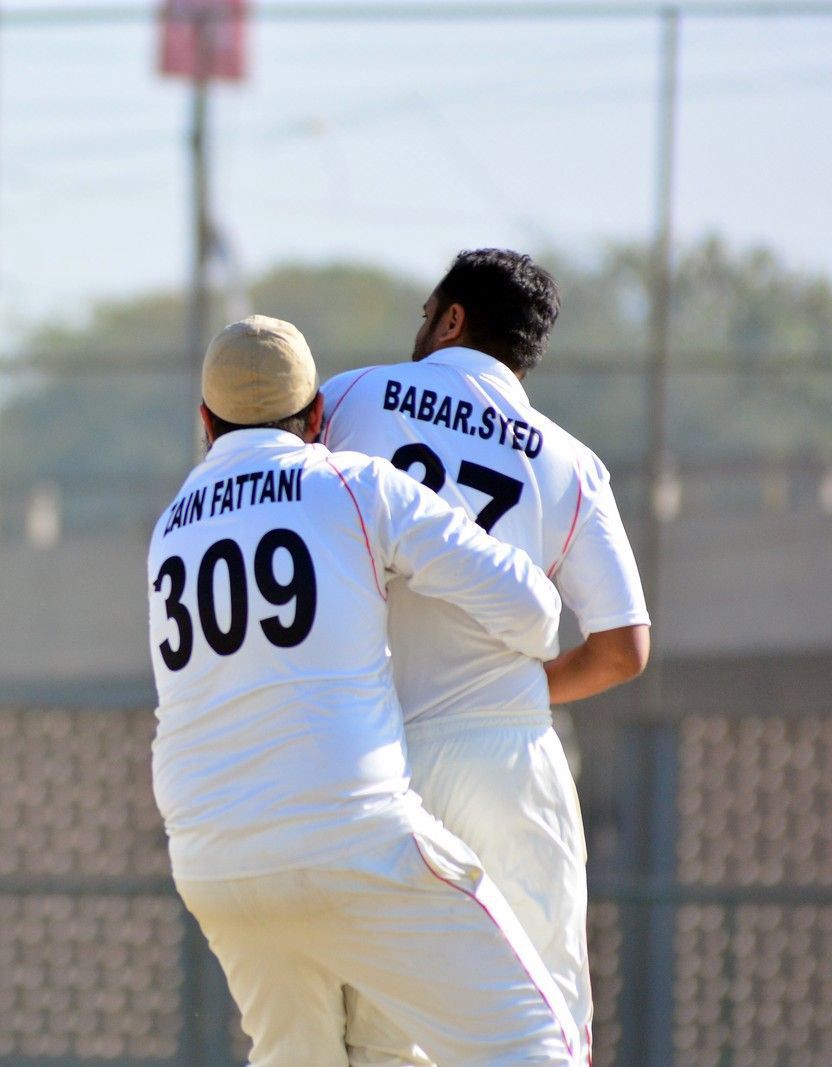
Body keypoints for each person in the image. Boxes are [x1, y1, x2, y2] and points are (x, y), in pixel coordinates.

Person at [148, 315, 583, 1065]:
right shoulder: (353, 483)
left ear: (205, 423)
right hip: (352, 839)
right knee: (537, 1045)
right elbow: (532, 613)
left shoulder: (170, 527)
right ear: (318, 415)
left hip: (213, 862)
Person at [320, 248, 650, 1063]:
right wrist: (524, 689)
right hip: (513, 757)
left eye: (426, 313)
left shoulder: (350, 397)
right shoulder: (569, 461)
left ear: (452, 317)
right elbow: (623, 647)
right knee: (544, 1027)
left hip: (387, 758)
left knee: (388, 1038)